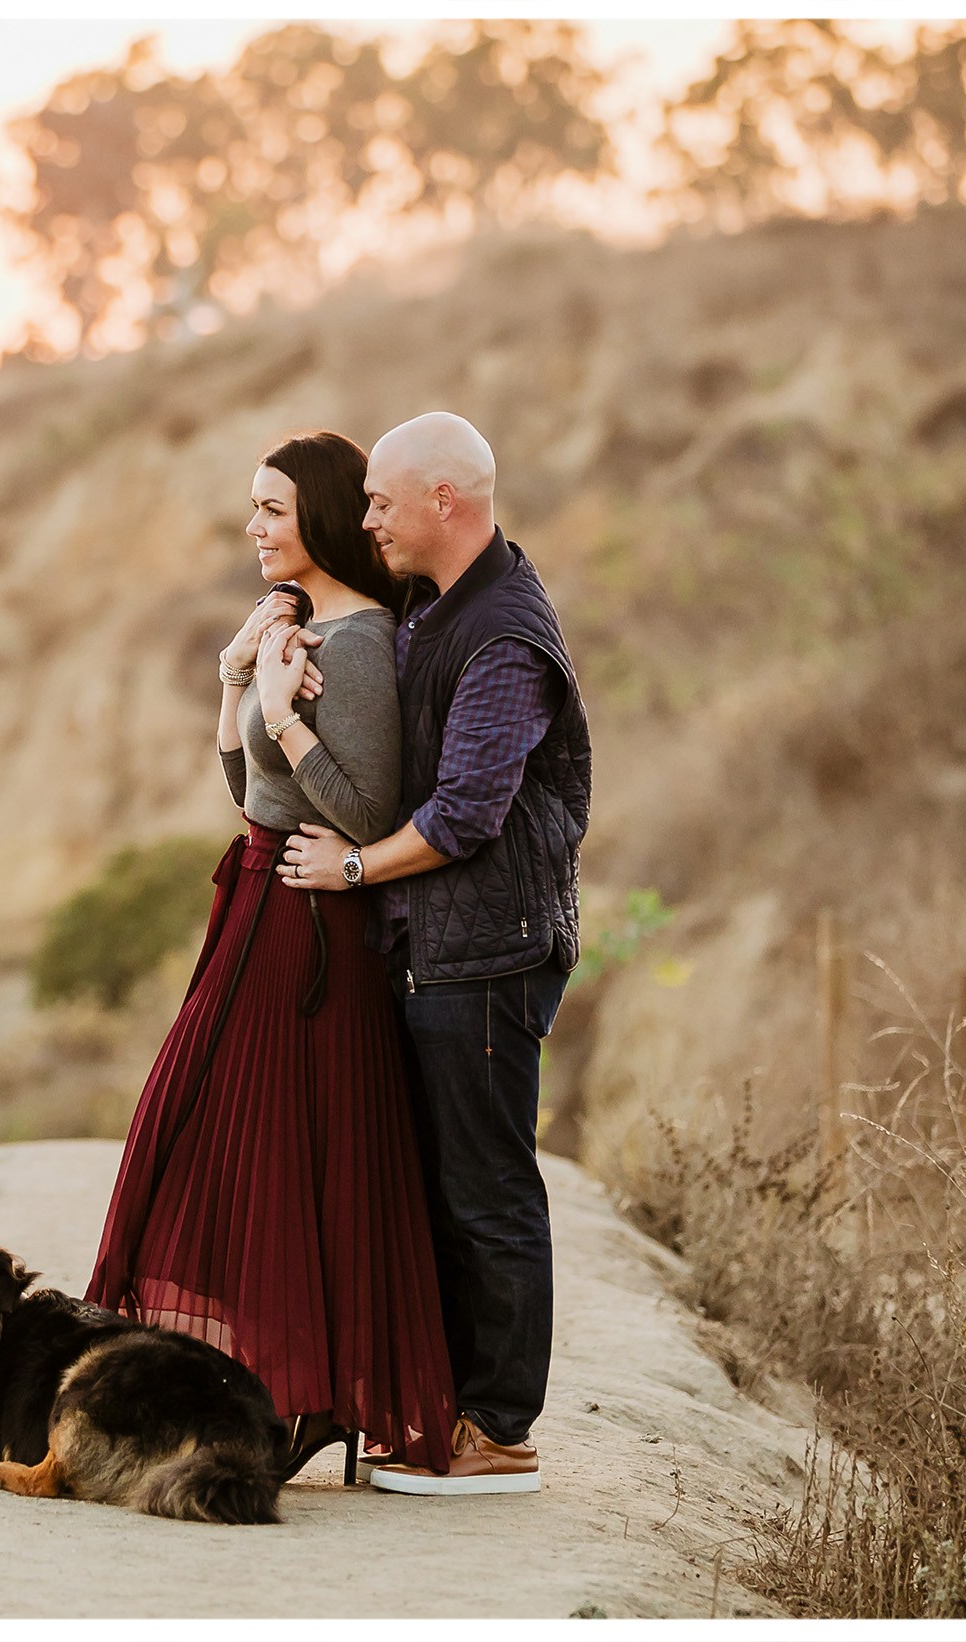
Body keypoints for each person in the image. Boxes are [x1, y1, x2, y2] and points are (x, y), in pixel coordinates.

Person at [84, 431, 456, 1481]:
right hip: (252, 898)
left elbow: (367, 810)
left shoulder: (364, 643)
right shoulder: (299, 631)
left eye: (271, 510)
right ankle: (268, 1386)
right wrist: (233, 679)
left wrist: (289, 721)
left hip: (306, 928)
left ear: (323, 520)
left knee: (283, 1156)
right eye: (251, 509)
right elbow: (253, 796)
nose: (252, 527)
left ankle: (307, 1392)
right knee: (209, 1136)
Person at [276, 411, 591, 1496]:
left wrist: (350, 872)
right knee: (442, 1181)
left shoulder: (502, 636)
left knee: (489, 1187)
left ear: (443, 503)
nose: (367, 521)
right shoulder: (434, 602)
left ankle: (499, 1434)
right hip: (438, 947)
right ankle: (440, 1402)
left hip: (490, 955)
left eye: (381, 504)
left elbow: (463, 814)